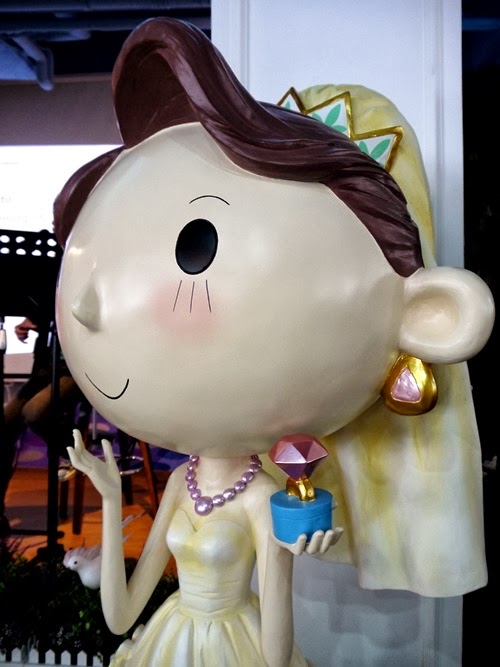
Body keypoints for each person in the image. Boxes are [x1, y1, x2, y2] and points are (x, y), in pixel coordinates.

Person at [52, 18, 494, 666]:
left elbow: (275, 648)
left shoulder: (264, 497)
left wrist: (287, 552)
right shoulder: (181, 485)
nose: (84, 306)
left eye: (196, 246)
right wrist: (113, 498)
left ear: (431, 313)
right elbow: (121, 617)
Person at [0, 311, 83, 538]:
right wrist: (33, 320)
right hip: (44, 369)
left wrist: (40, 318)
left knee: (34, 412)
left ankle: (72, 450)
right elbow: (41, 307)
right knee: (5, 424)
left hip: (77, 369)